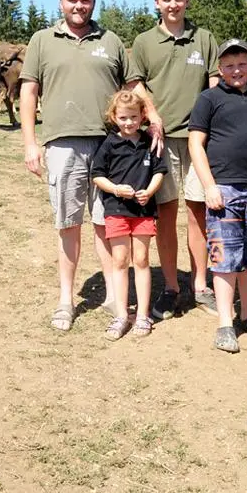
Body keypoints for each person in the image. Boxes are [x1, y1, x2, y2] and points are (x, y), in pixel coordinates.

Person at [21, 0, 157, 332]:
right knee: (68, 224)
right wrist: (30, 143)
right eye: (72, 1)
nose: (79, 6)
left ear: (93, 2)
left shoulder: (110, 41)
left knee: (106, 224)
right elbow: (29, 91)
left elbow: (133, 86)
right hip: (63, 143)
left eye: (85, 0)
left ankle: (115, 294)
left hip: (108, 147)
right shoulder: (42, 40)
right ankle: (66, 300)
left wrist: (153, 115)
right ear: (61, 2)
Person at [128, 0, 220, 319]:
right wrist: (151, 113)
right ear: (157, 2)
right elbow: (136, 83)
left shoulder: (205, 39)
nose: (173, 4)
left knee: (199, 215)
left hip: (198, 141)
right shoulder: (144, 41)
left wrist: (212, 129)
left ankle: (200, 286)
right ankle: (170, 287)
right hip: (159, 142)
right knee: (165, 215)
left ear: (187, 1)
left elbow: (214, 86)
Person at [188, 39, 247, 353]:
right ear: (220, 69)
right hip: (223, 190)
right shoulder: (209, 99)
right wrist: (209, 186)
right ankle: (226, 323)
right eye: (229, 65)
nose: (236, 70)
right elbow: (196, 144)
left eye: (242, 63)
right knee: (224, 260)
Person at [90, 90, 167, 340]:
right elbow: (97, 175)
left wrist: (151, 191)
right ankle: (122, 315)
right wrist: (115, 189)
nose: (128, 122)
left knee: (142, 260)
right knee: (120, 261)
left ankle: (143, 314)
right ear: (114, 116)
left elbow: (159, 171)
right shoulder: (109, 144)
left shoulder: (149, 141)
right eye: (123, 117)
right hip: (116, 211)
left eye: (133, 117)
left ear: (142, 116)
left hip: (144, 211)